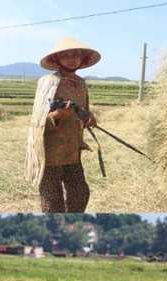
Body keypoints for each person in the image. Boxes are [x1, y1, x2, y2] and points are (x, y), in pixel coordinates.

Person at [25, 36, 101, 213]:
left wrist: (89, 118)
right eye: (66, 55)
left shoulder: (81, 83)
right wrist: (58, 115)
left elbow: (84, 111)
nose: (72, 58)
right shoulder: (49, 82)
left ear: (83, 59)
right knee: (52, 201)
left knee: (80, 194)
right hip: (50, 153)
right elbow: (38, 121)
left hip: (72, 152)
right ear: (57, 59)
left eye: (76, 55)